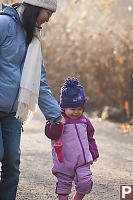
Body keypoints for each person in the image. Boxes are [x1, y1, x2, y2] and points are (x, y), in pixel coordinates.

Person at [0, 0, 65, 199]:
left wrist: (56, 116)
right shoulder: (4, 24)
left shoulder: (33, 37)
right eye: (48, 13)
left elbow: (39, 81)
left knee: (12, 162)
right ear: (35, 8)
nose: (48, 19)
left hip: (13, 112)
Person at [45, 78, 99, 200]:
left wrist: (94, 152)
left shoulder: (84, 121)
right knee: (64, 186)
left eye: (79, 109)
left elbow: (90, 138)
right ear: (63, 108)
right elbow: (50, 134)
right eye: (72, 109)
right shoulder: (57, 119)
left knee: (85, 183)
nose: (76, 112)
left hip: (82, 161)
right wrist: (57, 123)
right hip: (64, 161)